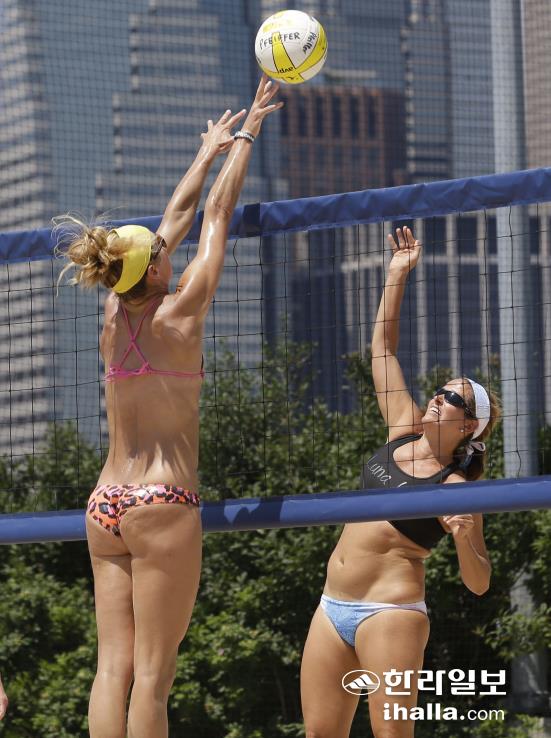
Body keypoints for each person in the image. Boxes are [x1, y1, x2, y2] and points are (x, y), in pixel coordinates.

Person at [58, 75, 282, 738]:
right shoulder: (181, 314)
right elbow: (213, 217)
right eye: (157, 251)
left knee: (113, 670)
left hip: (105, 504)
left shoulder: (112, 313)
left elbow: (175, 220)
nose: (163, 244)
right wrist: (247, 135)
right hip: (162, 501)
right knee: (154, 679)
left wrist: (205, 151)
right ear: (156, 272)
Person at [301, 226, 500, 738]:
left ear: (468, 426)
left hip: (390, 611)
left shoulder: (457, 487)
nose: (438, 397)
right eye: (439, 390)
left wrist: (463, 538)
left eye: (451, 399)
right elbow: (382, 350)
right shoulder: (402, 429)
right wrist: (397, 274)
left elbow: (479, 582)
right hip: (331, 605)